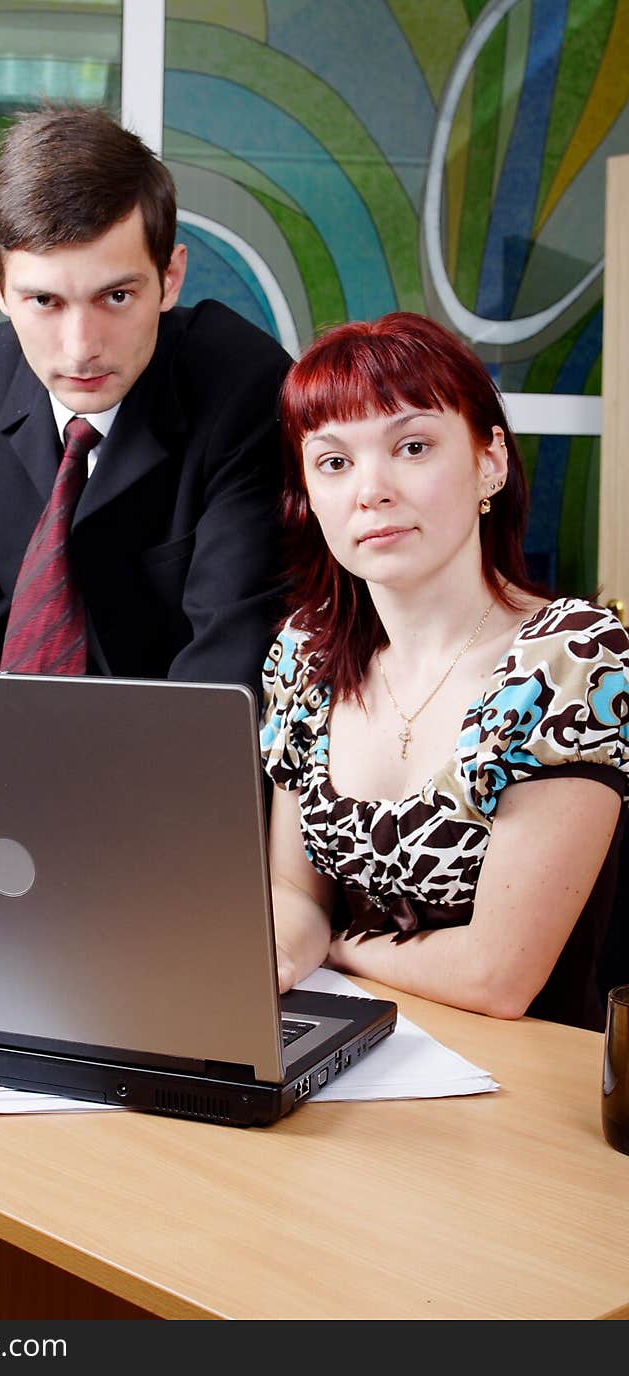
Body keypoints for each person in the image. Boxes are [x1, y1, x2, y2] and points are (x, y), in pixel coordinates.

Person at [261, 311, 628, 1028]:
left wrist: (339, 950)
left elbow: (498, 977)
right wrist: (273, 960)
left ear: (489, 461)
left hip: (531, 1084)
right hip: (364, 1055)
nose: (372, 490)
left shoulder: (572, 656)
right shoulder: (306, 653)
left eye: (414, 446)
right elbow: (291, 889)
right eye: (334, 462)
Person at [0, 103, 293, 695]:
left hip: (173, 761)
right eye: (44, 301)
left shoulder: (242, 387)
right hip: (6, 759)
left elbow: (227, 665)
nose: (80, 349)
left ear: (170, 279)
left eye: (116, 296)